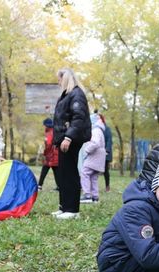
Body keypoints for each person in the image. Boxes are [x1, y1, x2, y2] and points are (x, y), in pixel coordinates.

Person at [52, 68, 91, 220]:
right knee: (63, 174)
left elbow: (78, 118)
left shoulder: (76, 94)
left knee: (70, 174)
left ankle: (72, 210)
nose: (58, 82)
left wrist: (68, 138)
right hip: (64, 139)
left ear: (65, 78)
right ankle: (64, 207)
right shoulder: (68, 95)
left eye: (59, 79)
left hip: (71, 140)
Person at [80, 113, 106, 203]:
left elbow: (95, 143)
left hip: (94, 155)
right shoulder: (100, 130)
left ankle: (87, 195)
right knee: (93, 176)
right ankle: (95, 196)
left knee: (85, 173)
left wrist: (87, 150)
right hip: (99, 156)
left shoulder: (96, 130)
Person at [38, 118, 59, 191]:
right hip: (55, 155)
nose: (44, 127)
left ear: (47, 125)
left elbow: (49, 144)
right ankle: (59, 187)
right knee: (56, 171)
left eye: (45, 125)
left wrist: (45, 153)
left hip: (50, 156)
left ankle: (39, 186)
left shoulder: (49, 133)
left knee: (45, 170)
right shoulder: (54, 132)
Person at [99, 113, 113, 192]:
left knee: (105, 170)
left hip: (105, 153)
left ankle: (107, 187)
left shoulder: (106, 129)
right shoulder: (96, 129)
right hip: (97, 153)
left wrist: (107, 150)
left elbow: (109, 140)